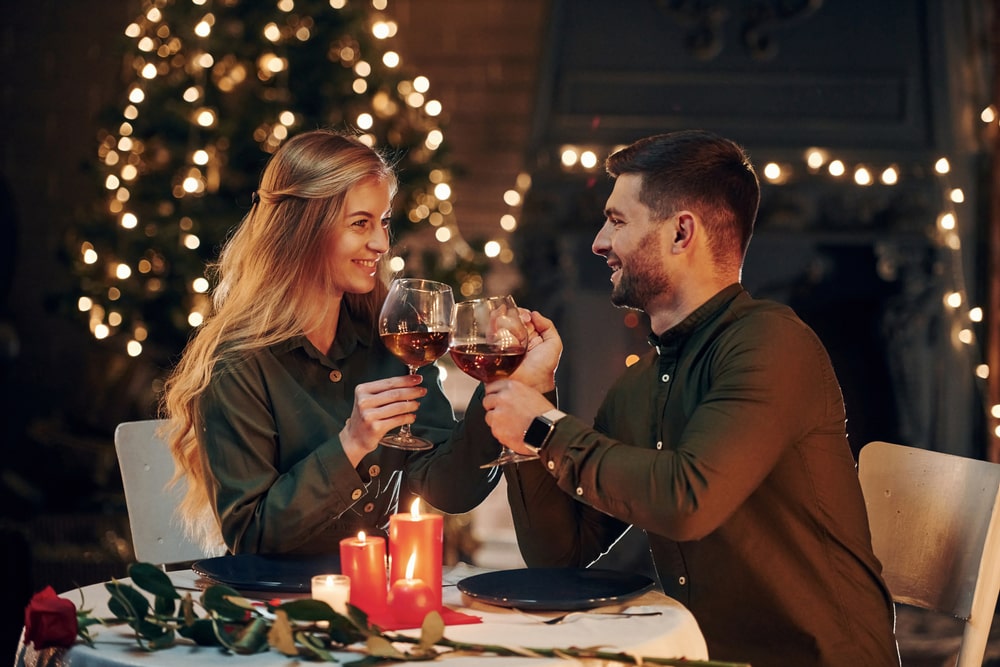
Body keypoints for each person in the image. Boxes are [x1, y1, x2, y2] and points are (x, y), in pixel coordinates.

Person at [482, 130, 899, 666]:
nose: (598, 243)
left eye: (616, 221)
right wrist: (533, 399)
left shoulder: (772, 343)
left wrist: (544, 426)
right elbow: (560, 554)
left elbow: (688, 501)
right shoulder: (645, 381)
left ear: (681, 233)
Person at [160, 129, 513, 555]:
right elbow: (251, 538)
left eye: (383, 222)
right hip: (281, 609)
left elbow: (450, 489)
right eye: (360, 223)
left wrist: (498, 387)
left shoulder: (392, 343)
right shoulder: (238, 364)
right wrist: (351, 444)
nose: (382, 243)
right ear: (303, 229)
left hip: (378, 599)